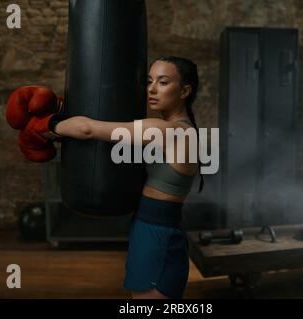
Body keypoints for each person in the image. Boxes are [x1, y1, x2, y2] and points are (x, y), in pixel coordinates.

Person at [32, 56, 203, 299]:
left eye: (163, 82)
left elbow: (88, 129)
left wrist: (43, 126)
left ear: (184, 90)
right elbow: (109, 141)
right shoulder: (172, 130)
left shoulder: (171, 131)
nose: (152, 89)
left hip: (157, 234)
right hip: (153, 230)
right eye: (149, 81)